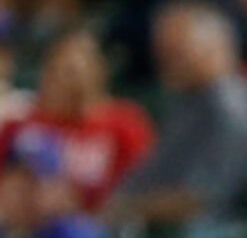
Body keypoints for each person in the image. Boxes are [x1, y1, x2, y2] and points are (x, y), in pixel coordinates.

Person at [108, 0, 247, 230]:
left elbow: (202, 197)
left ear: (215, 46)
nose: (165, 61)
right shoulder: (186, 100)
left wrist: (126, 207)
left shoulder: (227, 104)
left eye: (176, 51)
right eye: (162, 51)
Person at [0, 27, 154, 212]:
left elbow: (144, 186)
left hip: (100, 226)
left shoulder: (125, 124)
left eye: (72, 71)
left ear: (97, 72)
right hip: (28, 229)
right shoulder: (21, 127)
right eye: (55, 71)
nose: (63, 81)